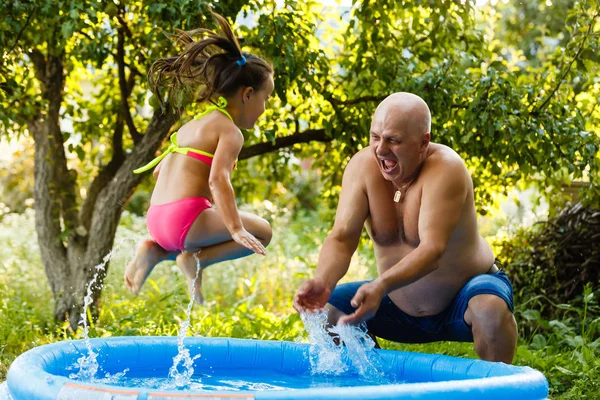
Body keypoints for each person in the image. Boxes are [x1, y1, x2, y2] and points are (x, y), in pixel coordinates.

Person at [293, 92, 517, 364]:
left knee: (489, 309)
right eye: (375, 137)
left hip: (462, 300)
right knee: (331, 312)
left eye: (393, 140)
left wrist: (380, 284)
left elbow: (433, 251)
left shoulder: (446, 168)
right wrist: (323, 281)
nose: (380, 149)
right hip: (397, 308)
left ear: (423, 142)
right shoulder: (362, 168)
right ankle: (378, 390)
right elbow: (342, 238)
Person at [125, 11, 274, 304]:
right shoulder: (230, 132)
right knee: (262, 231)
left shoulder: (192, 126)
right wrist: (235, 229)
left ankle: (154, 250)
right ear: (247, 94)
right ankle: (195, 260)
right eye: (265, 98)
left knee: (196, 228)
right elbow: (218, 180)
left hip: (156, 219)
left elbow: (159, 174)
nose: (265, 108)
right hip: (184, 220)